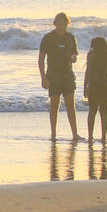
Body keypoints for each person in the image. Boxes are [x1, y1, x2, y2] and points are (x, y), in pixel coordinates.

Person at [38, 12, 82, 141]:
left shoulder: (70, 38)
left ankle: (75, 134)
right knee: (54, 105)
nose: (62, 27)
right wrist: (43, 77)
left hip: (67, 74)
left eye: (64, 25)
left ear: (67, 24)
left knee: (70, 105)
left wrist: (74, 58)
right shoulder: (48, 38)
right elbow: (41, 59)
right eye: (59, 24)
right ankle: (53, 134)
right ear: (55, 24)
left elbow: (75, 56)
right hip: (53, 75)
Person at [83, 36, 107, 143]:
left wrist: (85, 87)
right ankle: (103, 137)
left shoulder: (91, 55)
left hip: (93, 85)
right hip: (106, 86)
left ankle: (90, 136)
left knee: (92, 111)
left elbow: (88, 72)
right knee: (104, 112)